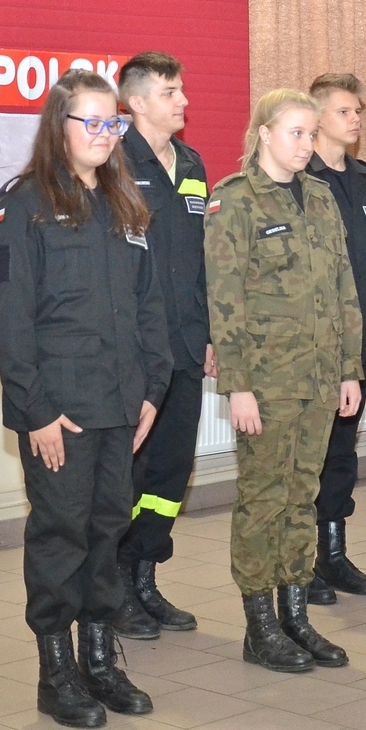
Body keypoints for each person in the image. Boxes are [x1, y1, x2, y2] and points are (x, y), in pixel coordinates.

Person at [0, 69, 172, 727]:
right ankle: (56, 671)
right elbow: (11, 318)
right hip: (60, 411)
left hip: (121, 404)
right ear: (58, 125)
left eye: (112, 122)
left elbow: (150, 305)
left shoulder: (125, 202)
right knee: (60, 536)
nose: (104, 133)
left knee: (107, 530)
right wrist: (34, 410)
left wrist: (152, 389)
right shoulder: (26, 204)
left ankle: (99, 659)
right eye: (90, 121)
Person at [206, 90, 363, 672]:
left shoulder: (320, 197)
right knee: (263, 500)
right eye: (296, 132)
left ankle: (295, 615)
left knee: (302, 497)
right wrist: (238, 386)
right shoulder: (234, 200)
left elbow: (344, 287)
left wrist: (349, 369)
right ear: (264, 133)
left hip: (320, 378)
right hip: (267, 381)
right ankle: (260, 626)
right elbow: (225, 300)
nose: (306, 144)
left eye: (311, 134)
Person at [111, 52, 210, 639]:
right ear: (137, 102)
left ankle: (146, 578)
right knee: (131, 472)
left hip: (187, 346)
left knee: (171, 471)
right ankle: (115, 586)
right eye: (171, 92)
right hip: (137, 351)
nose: (183, 101)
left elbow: (203, 257)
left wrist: (210, 332)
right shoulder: (113, 161)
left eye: (182, 90)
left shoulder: (192, 164)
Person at [303, 73, 366, 602]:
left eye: (358, 111)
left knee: (341, 456)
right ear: (316, 119)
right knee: (307, 457)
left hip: (356, 344)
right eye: (344, 111)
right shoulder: (299, 178)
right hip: (313, 345)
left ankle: (332, 555)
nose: (355, 119)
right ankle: (300, 561)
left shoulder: (364, 179)